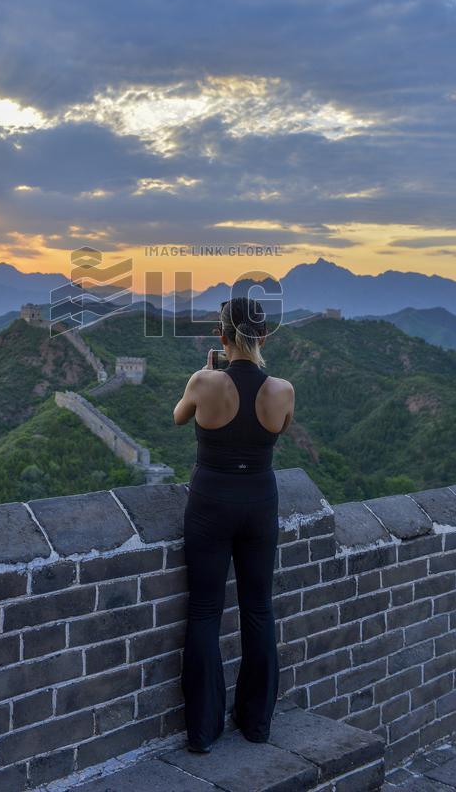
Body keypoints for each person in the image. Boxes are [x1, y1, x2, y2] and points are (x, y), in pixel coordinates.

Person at [173, 296, 295, 753]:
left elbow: (178, 417)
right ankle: (257, 722)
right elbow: (279, 427)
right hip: (260, 502)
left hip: (210, 503)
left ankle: (203, 731)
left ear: (220, 337)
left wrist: (210, 373)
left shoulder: (204, 381)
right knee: (259, 609)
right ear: (264, 337)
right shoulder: (282, 389)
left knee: (205, 611)